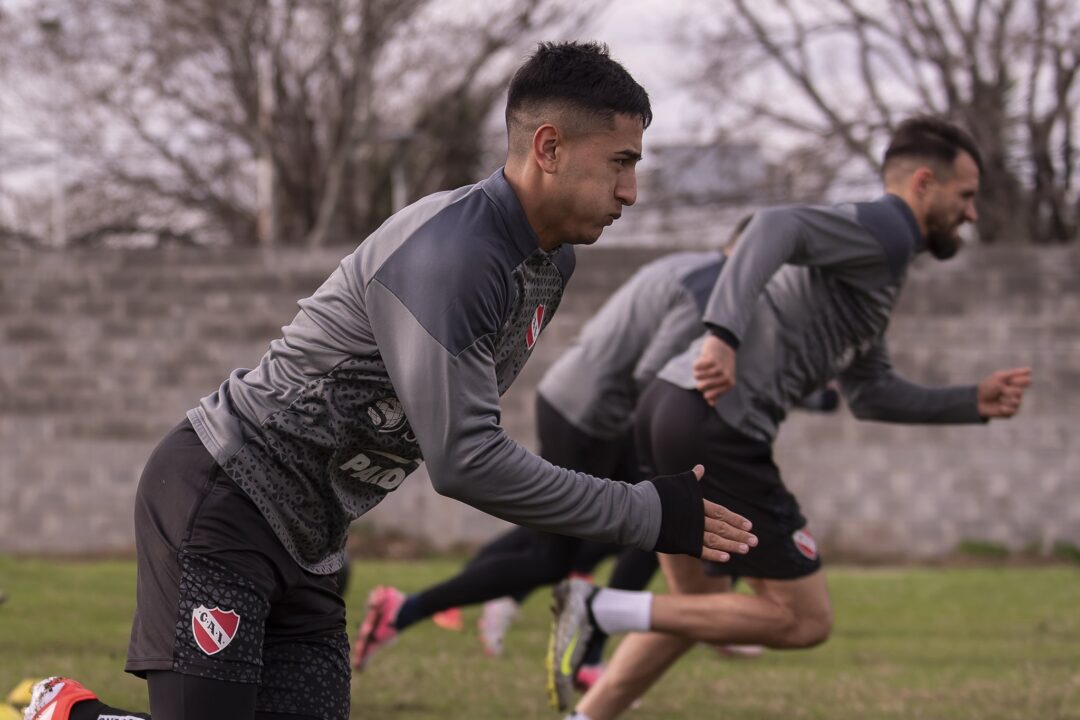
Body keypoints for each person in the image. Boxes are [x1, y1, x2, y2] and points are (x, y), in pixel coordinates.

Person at [22, 41, 759, 720]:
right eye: (620, 163)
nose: (630, 191)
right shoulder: (457, 255)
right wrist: (642, 512)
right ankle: (66, 712)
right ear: (549, 148)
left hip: (314, 537)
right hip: (223, 497)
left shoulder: (548, 263)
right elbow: (465, 460)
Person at [548, 115, 1033, 718]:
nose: (973, 214)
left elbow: (871, 392)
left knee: (699, 612)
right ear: (924, 184)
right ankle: (598, 608)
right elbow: (774, 226)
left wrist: (969, 402)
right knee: (804, 620)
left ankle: (585, 714)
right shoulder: (885, 230)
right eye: (967, 196)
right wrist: (720, 334)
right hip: (715, 426)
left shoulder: (876, 270)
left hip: (671, 413)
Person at [350, 245, 732, 693]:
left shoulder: (686, 263)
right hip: (591, 416)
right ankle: (407, 610)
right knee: (576, 548)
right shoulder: (713, 289)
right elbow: (652, 376)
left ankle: (568, 639)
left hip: (582, 404)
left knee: (617, 529)